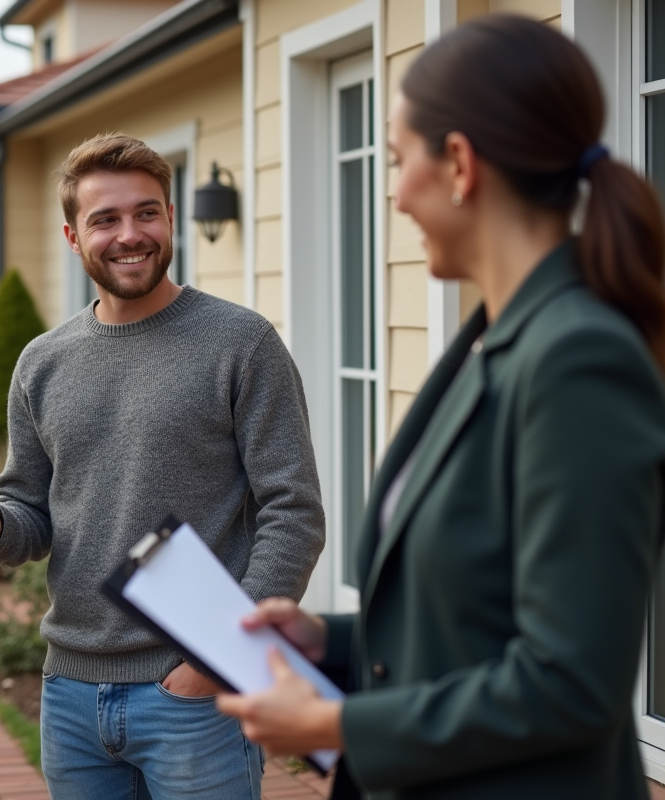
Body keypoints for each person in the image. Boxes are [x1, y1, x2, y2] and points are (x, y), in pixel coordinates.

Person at [215, 15, 665, 800]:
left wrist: (341, 726)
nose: (392, 195)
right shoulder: (492, 338)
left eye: (397, 161)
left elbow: (571, 681)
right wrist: (331, 642)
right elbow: (475, 615)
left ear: (459, 163)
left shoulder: (577, 357)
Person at [0, 132, 326, 799]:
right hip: (71, 695)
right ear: (72, 236)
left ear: (170, 218)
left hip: (196, 697)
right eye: (105, 219)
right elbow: (33, 514)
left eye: (146, 212)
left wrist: (219, 659)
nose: (129, 234)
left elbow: (294, 513)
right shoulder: (42, 362)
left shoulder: (242, 343)